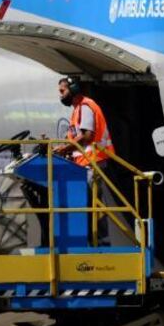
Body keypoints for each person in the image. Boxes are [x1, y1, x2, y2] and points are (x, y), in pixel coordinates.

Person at [57, 76, 115, 246]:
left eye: (62, 91)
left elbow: (87, 136)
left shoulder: (85, 106)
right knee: (89, 203)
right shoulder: (77, 110)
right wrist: (65, 148)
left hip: (93, 161)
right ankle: (93, 241)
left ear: (73, 89)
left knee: (94, 203)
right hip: (85, 162)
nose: (60, 95)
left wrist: (65, 149)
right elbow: (76, 139)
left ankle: (101, 242)